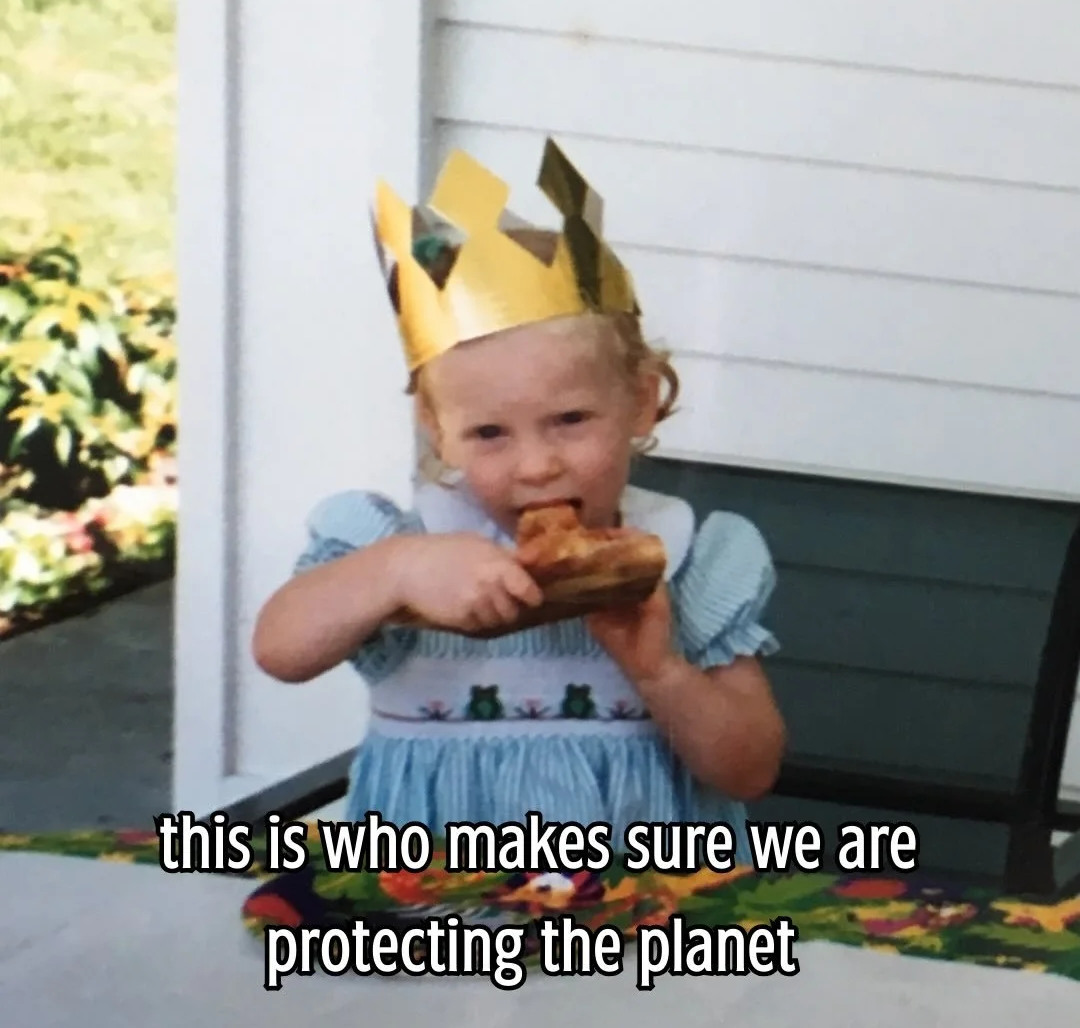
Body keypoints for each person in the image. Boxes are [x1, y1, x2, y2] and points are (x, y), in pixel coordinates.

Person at [253, 140, 786, 867]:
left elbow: (749, 772)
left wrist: (661, 671)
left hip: (644, 909)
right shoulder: (400, 540)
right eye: (489, 434)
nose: (537, 466)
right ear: (437, 429)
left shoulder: (690, 557)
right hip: (438, 903)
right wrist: (397, 572)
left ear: (641, 401)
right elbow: (279, 649)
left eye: (570, 419)